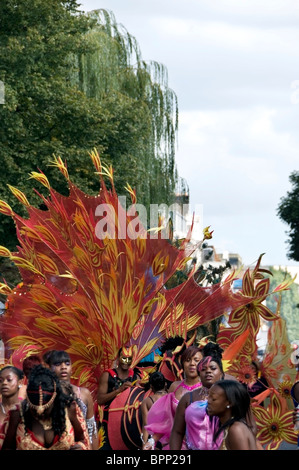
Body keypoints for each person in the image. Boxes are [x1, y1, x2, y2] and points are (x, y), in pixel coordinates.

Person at [1, 364, 90, 450]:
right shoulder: (17, 414)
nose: (40, 412)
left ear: (54, 399)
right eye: (34, 409)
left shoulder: (69, 409)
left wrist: (80, 446)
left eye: (46, 409)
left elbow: (82, 440)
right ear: (28, 400)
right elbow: (8, 447)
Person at [143, 345, 202, 450]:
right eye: (188, 360)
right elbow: (166, 420)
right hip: (176, 445)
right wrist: (152, 441)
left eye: (196, 360)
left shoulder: (208, 388)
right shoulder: (175, 386)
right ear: (182, 363)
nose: (192, 363)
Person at [169, 348, 225, 450]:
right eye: (203, 369)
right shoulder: (187, 398)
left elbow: (247, 427)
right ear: (199, 374)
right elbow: (177, 431)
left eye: (213, 368)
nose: (208, 371)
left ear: (221, 373)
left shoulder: (230, 396)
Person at [47, 350, 98, 450]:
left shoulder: (84, 394)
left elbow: (91, 430)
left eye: (67, 364)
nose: (63, 367)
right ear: (50, 369)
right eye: (58, 364)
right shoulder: (47, 396)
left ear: (71, 369)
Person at [97, 347, 141, 450]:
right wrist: (119, 390)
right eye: (123, 358)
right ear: (118, 358)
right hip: (108, 422)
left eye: (129, 359)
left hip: (128, 423)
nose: (126, 362)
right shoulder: (107, 375)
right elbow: (100, 399)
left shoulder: (136, 377)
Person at [207, 379, 257, 450]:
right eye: (208, 396)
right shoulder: (231, 427)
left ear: (229, 403)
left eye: (213, 398)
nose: (208, 401)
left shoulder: (236, 429)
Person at [140, 371, 167, 449]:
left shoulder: (146, 402)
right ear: (165, 384)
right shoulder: (172, 397)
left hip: (155, 440)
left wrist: (144, 445)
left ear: (151, 386)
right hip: (172, 438)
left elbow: (146, 426)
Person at [0, 365, 24, 446]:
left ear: (20, 382)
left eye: (9, 380)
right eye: (0, 380)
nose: (4, 383)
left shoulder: (27, 409)